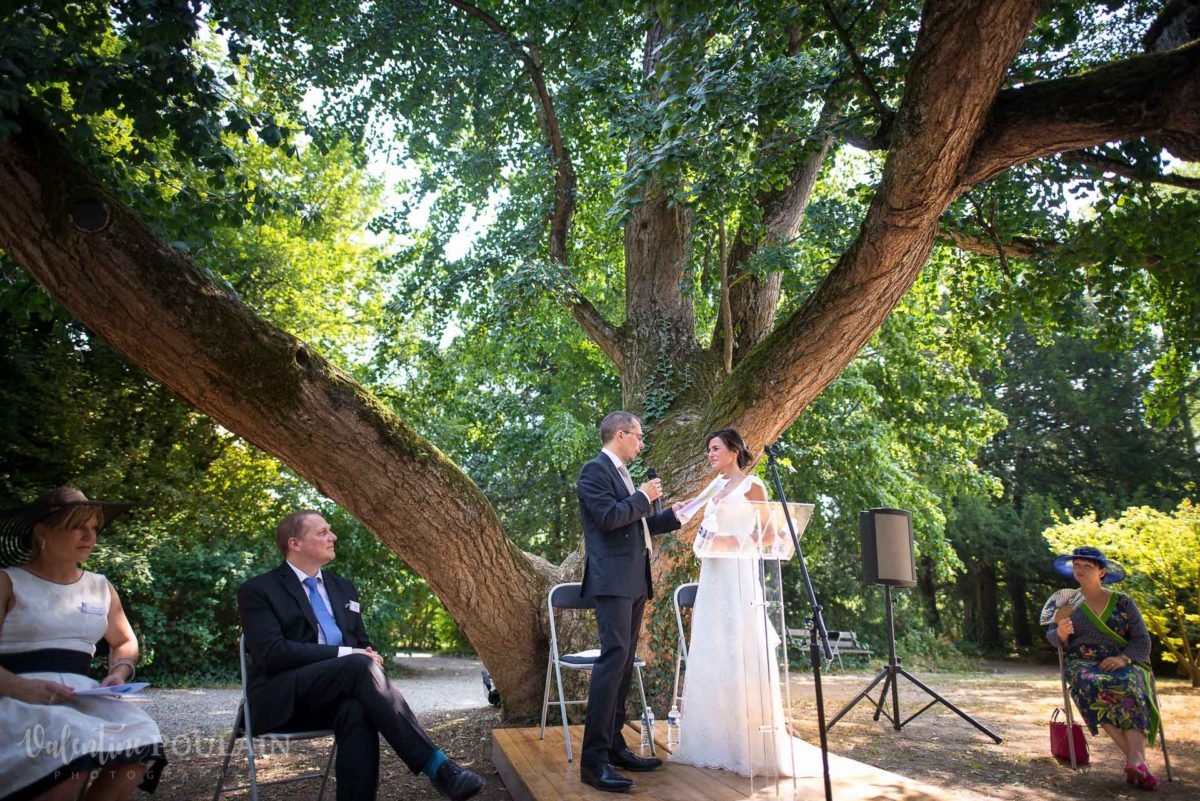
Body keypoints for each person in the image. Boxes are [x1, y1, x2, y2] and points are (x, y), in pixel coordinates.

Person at [237, 510, 484, 801]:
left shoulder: (343, 588)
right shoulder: (258, 590)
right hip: (280, 699)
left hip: (332, 696)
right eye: (322, 532)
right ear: (295, 543)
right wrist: (350, 655)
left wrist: (367, 654)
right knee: (357, 665)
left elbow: (360, 643)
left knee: (358, 708)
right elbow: (272, 654)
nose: (333, 536)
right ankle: (438, 767)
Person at [0, 487, 165, 801]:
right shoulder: (8, 582)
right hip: (14, 696)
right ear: (42, 532)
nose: (90, 536)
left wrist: (120, 670)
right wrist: (22, 689)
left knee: (142, 738)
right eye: (78, 526)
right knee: (71, 744)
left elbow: (125, 641)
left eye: (94, 528)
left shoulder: (100, 587)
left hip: (82, 695)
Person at [670, 429, 817, 778]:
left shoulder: (754, 486)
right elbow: (697, 528)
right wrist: (706, 538)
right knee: (714, 650)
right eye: (708, 449)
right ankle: (710, 742)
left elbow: (769, 534)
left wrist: (732, 541)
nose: (710, 454)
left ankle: (745, 744)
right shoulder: (715, 489)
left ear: (734, 450)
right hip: (713, 577)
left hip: (739, 575)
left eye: (715, 448)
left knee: (740, 647)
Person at [576, 411, 681, 793]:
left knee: (622, 666)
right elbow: (608, 518)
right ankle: (593, 762)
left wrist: (671, 517)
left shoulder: (622, 474)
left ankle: (615, 745)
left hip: (634, 580)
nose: (641, 443)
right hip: (613, 581)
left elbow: (634, 522)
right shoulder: (594, 471)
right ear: (620, 435)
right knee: (612, 662)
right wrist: (643, 496)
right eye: (638, 437)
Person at [1041, 545, 1160, 790]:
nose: (1080, 570)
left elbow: (1142, 640)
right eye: (1076, 566)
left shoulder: (1123, 601)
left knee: (1129, 683)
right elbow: (1053, 638)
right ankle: (1137, 762)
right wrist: (1061, 633)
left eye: (1087, 566)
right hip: (1083, 663)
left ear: (1102, 572)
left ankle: (1135, 761)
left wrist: (1124, 659)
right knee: (1090, 685)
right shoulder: (1066, 601)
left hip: (1124, 660)